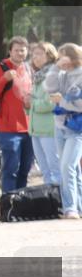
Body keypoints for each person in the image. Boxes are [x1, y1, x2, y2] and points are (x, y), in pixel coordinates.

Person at [0, 36, 34, 193]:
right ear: (10, 51)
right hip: (8, 129)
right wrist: (3, 79)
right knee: (11, 169)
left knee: (25, 170)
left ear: (27, 52)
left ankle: (21, 205)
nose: (20, 53)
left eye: (22, 50)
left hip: (29, 127)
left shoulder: (29, 69)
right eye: (16, 50)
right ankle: (8, 205)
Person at [45, 43, 82, 218]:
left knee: (67, 166)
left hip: (77, 128)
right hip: (59, 126)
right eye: (59, 58)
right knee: (71, 168)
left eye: (63, 57)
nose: (61, 61)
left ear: (74, 57)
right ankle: (79, 205)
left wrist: (63, 102)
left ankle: (70, 208)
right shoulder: (61, 73)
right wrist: (55, 67)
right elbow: (48, 88)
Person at [28, 42, 61, 187]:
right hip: (36, 129)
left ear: (50, 55)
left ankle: (64, 203)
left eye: (40, 54)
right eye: (34, 54)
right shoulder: (38, 75)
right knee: (45, 171)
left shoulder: (53, 74)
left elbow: (50, 103)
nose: (35, 57)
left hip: (49, 129)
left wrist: (32, 103)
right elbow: (35, 104)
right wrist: (27, 104)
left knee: (56, 169)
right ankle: (52, 202)